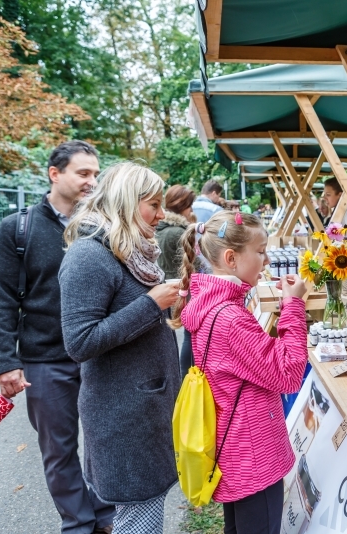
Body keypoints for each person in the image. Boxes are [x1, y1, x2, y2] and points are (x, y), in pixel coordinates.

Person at [0, 140, 115, 534]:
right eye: (83, 173)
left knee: (104, 444)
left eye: (96, 173)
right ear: (55, 174)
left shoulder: (101, 225)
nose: (92, 181)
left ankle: (107, 516)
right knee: (59, 451)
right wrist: (6, 361)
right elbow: (2, 298)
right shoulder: (18, 228)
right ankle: (78, 524)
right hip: (46, 358)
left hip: (98, 354)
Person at [59, 162, 180, 534]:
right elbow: (79, 342)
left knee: (143, 512)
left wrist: (169, 303)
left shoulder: (130, 251)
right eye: (153, 205)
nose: (161, 215)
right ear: (127, 202)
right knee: (138, 520)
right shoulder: (88, 256)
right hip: (123, 417)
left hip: (143, 408)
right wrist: (151, 305)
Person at [170, 211, 308, 534]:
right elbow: (288, 372)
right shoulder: (231, 319)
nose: (266, 259)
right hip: (253, 457)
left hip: (233, 452)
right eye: (260, 252)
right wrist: (293, 305)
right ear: (231, 258)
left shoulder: (208, 303)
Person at [156, 185, 197, 379]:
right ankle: (186, 378)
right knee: (189, 337)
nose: (192, 210)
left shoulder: (162, 228)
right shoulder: (177, 232)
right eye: (190, 206)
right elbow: (196, 263)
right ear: (183, 206)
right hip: (183, 289)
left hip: (169, 287)